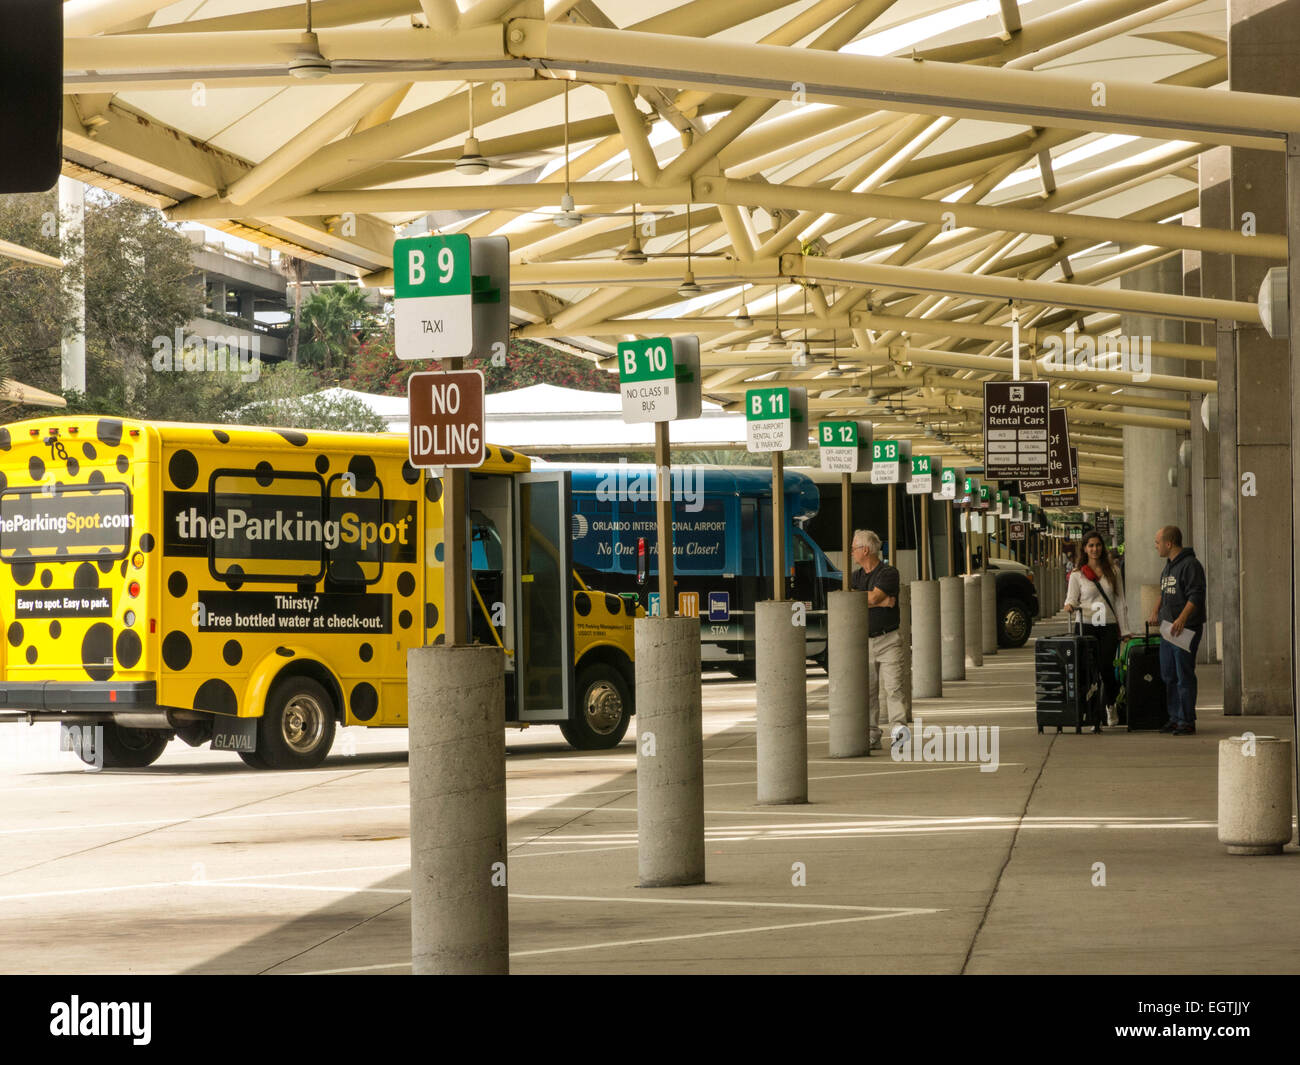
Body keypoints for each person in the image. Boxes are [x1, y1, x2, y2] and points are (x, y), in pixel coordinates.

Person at [1064, 532, 1130, 725]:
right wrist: (1069, 605)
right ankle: (1088, 710)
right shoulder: (1077, 574)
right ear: (1085, 548)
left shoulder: (1114, 571)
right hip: (1085, 627)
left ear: (1103, 547)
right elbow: (1071, 599)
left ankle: (1111, 705)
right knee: (1085, 670)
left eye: (1098, 545)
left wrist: (1124, 630)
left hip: (1107, 626)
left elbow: (1120, 601)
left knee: (1106, 668)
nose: (1095, 549)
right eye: (1091, 545)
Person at [850, 529, 907, 751]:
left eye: (854, 548)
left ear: (865, 550)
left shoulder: (888, 573)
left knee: (893, 688)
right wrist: (881, 602)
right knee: (868, 691)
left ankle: (899, 733)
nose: (851, 552)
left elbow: (870, 597)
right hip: (864, 641)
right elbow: (853, 602)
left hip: (888, 639)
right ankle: (872, 734)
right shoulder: (856, 576)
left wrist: (869, 599)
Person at [1146, 525, 1206, 736]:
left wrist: (1182, 618)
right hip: (1167, 628)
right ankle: (1174, 717)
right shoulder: (1168, 566)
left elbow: (1196, 595)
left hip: (1185, 629)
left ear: (1168, 543)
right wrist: (1155, 611)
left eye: (1157, 542)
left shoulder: (1190, 565)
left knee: (1183, 675)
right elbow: (1164, 592)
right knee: (1168, 674)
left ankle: (1186, 720)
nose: (1156, 546)